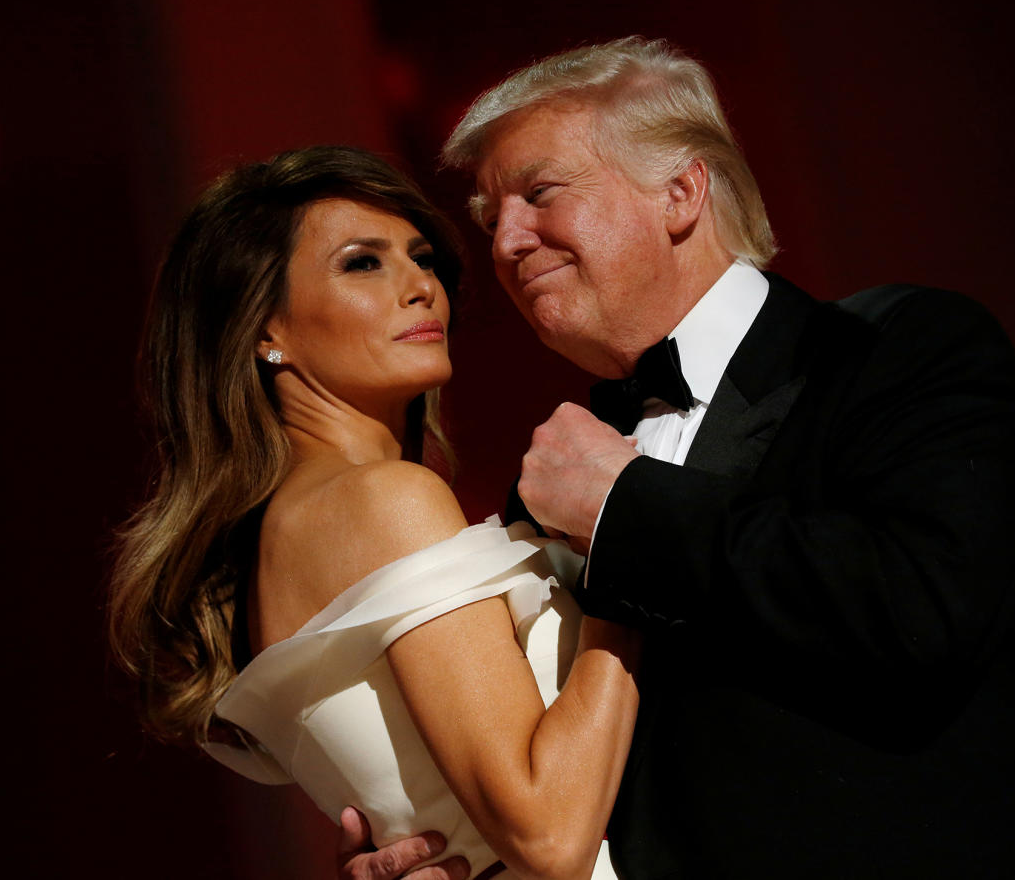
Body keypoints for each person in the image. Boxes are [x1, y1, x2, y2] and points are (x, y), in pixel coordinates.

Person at [345, 38, 1015, 878]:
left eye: (539, 194)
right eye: (492, 218)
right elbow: (561, 784)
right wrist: (451, 854)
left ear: (681, 190)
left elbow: (919, 610)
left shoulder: (899, 349)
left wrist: (624, 508)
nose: (506, 243)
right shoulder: (558, 472)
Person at [107, 145, 638, 880]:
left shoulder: (291, 527)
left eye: (421, 258)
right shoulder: (384, 500)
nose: (420, 286)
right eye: (363, 263)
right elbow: (547, 837)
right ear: (266, 330)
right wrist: (631, 563)